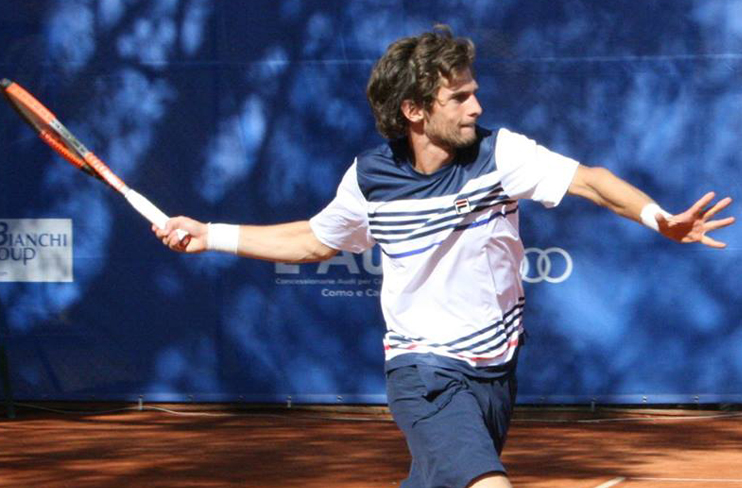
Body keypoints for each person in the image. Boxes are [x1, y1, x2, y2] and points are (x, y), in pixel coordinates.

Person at [154, 25, 734, 488]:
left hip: (497, 368)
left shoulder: (500, 155)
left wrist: (658, 218)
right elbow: (314, 240)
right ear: (414, 111)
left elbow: (591, 181)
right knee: (486, 482)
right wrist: (211, 234)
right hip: (423, 369)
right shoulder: (369, 180)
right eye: (458, 97)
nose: (476, 106)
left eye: (474, 91)